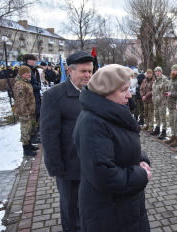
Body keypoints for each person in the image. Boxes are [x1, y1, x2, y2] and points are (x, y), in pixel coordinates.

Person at [73, 64, 152, 231]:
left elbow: (122, 146)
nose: (129, 95)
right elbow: (104, 175)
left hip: (124, 207)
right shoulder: (93, 123)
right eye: (124, 90)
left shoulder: (112, 113)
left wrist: (140, 159)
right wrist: (140, 175)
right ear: (106, 91)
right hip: (108, 212)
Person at [40, 51, 94, 232]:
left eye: (90, 71)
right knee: (71, 211)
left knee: (89, 207)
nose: (88, 75)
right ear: (69, 70)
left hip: (93, 163)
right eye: (83, 71)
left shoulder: (93, 92)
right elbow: (49, 135)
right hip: (69, 166)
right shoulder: (54, 96)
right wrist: (56, 166)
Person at [13, 66, 38, 156]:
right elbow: (20, 100)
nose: (29, 74)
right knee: (25, 130)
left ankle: (29, 145)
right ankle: (26, 148)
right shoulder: (20, 85)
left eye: (29, 72)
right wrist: (25, 113)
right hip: (25, 112)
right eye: (27, 73)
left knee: (30, 129)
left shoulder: (25, 83)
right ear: (22, 74)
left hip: (29, 111)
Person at [22, 54, 41, 142]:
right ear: (29, 61)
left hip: (35, 97)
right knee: (29, 121)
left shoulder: (32, 70)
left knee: (35, 118)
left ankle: (34, 135)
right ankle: (30, 140)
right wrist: (39, 87)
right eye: (34, 60)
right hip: (31, 99)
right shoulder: (25, 70)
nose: (36, 62)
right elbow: (28, 85)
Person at [164, 64, 177, 147]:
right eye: (172, 70)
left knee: (176, 123)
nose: (173, 72)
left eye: (174, 70)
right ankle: (173, 136)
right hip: (170, 104)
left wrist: (171, 94)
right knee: (171, 122)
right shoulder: (171, 80)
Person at [149, 66, 168, 139]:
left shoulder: (164, 80)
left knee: (163, 117)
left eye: (158, 71)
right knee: (156, 116)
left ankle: (164, 131)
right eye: (156, 71)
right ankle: (157, 129)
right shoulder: (155, 80)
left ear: (161, 72)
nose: (157, 72)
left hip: (162, 102)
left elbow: (167, 91)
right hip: (156, 102)